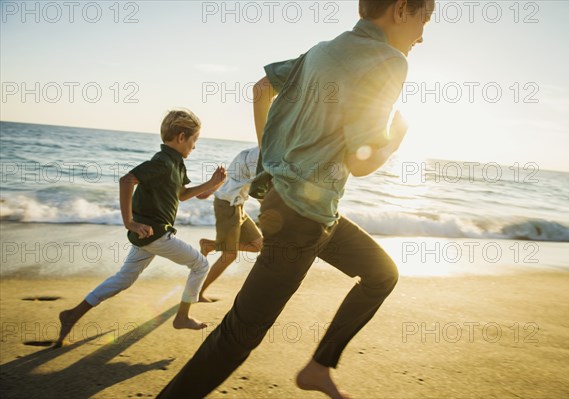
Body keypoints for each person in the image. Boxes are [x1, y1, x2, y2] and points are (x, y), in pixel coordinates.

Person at [158, 0, 434, 397]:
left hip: (312, 212)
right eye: (424, 18)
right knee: (239, 335)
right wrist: (397, 138)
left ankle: (319, 368)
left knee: (382, 274)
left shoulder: (322, 50)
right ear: (402, 9)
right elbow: (363, 163)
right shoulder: (388, 60)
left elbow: (261, 88)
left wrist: (269, 155)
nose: (423, 34)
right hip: (300, 221)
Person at [55, 109, 227, 347]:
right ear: (180, 137)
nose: (194, 147)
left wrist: (211, 184)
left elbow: (182, 195)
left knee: (124, 279)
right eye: (194, 140)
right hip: (155, 233)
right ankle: (183, 316)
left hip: (148, 236)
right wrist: (129, 222)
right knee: (200, 264)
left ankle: (72, 314)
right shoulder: (162, 163)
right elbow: (127, 180)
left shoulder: (176, 164)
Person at [198, 146, 263, 302]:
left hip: (237, 204)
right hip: (227, 205)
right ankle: (198, 293)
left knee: (258, 244)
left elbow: (230, 177)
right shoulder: (260, 155)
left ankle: (211, 246)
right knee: (230, 254)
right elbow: (261, 191)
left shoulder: (253, 152)